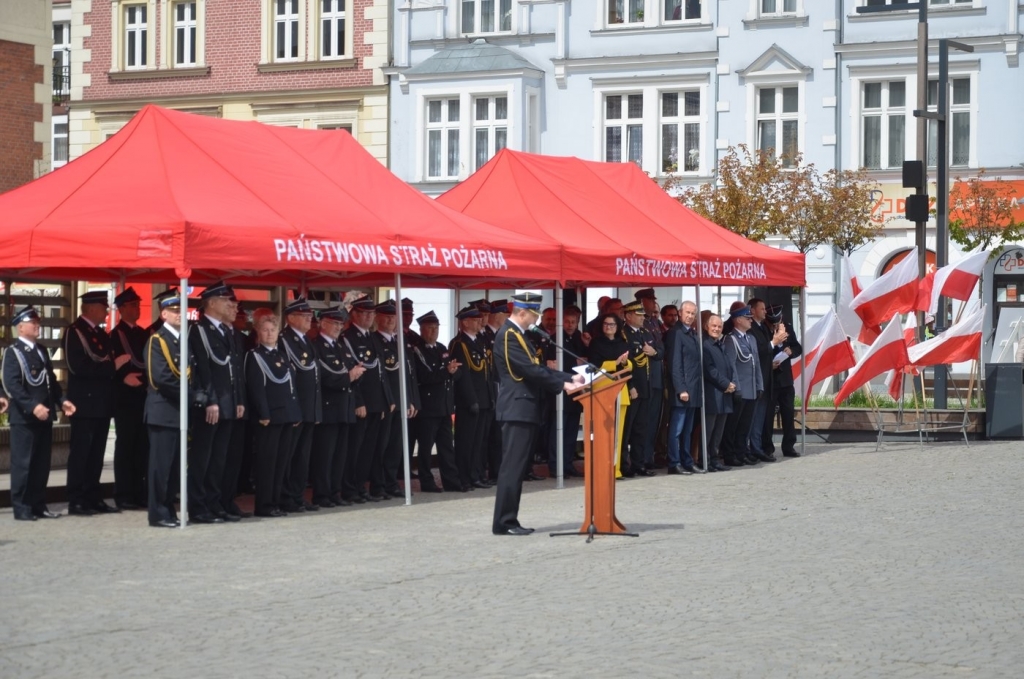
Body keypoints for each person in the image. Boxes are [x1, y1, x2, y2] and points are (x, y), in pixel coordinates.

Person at [492, 293, 582, 535]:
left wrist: (570, 377)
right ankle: (504, 523)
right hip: (517, 408)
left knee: (517, 468)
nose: (536, 319)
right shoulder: (509, 335)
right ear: (522, 312)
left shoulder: (518, 335)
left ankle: (509, 520)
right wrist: (563, 384)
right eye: (534, 314)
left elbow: (537, 368)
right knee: (512, 468)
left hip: (524, 407)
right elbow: (529, 370)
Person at [3, 306, 76, 521]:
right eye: (33, 323)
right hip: (25, 418)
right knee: (23, 464)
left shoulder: (41, 350)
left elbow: (50, 381)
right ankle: (22, 507)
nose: (37, 326)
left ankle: (38, 504)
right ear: (20, 327)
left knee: (41, 465)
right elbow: (12, 385)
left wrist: (62, 401)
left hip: (45, 415)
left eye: (38, 322)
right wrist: (33, 406)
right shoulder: (13, 352)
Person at [188, 281, 245, 524]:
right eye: (226, 301)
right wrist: (210, 399)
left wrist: (238, 399)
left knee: (220, 458)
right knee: (202, 458)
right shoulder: (199, 330)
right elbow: (200, 369)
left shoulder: (226, 331)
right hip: (210, 406)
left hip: (228, 403)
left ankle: (215, 502)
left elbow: (235, 370)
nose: (231, 305)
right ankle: (198, 507)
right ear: (211, 303)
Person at [143, 290, 196, 527]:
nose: (179, 315)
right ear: (163, 314)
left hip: (179, 413)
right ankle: (158, 513)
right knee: (160, 467)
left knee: (175, 468)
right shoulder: (157, 341)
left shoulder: (183, 340)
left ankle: (169, 511)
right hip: (163, 412)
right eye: (174, 311)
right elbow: (161, 379)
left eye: (181, 311)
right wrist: (192, 396)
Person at [63, 290, 118, 516]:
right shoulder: (75, 332)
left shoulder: (101, 334)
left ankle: (93, 496)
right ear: (92, 308)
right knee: (81, 454)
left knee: (96, 454)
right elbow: (77, 366)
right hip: (84, 404)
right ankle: (76, 499)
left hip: (102, 403)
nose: (106, 311)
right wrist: (110, 368)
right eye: (104, 307)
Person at [245, 313, 302, 518]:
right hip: (269, 417)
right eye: (265, 330)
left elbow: (291, 387)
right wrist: (263, 412)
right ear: (258, 332)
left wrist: (295, 412)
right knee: (267, 464)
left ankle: (276, 502)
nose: (269, 334)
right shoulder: (254, 356)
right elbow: (256, 387)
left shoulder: (282, 356)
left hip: (286, 415)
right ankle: (264, 505)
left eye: (273, 330)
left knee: (281, 463)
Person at [310, 306, 365, 507]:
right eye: (334, 323)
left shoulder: (340, 347)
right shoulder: (316, 346)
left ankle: (335, 491)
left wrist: (356, 375)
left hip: (344, 407)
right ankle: (322, 494)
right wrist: (349, 377)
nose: (338, 327)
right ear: (322, 323)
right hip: (329, 407)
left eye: (340, 324)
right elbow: (324, 377)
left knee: (340, 455)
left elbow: (352, 371)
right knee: (325, 455)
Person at [342, 298, 394, 504]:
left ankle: (360, 486)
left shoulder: (372, 337)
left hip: (376, 402)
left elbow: (381, 371)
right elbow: (351, 372)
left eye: (372, 314)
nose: (369, 317)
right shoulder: (348, 338)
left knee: (370, 449)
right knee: (355, 449)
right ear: (354, 314)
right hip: (362, 403)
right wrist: (358, 401)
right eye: (365, 313)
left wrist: (387, 398)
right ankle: (349, 489)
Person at [278, 296, 323, 511]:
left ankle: (297, 496)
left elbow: (313, 374)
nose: (309, 319)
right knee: (290, 456)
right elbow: (287, 377)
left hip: (308, 407)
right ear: (290, 318)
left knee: (302, 456)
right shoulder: (284, 340)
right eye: (304, 316)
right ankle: (286, 497)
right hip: (296, 408)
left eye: (310, 315)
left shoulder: (305, 340)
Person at [412, 310, 463, 492]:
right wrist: (446, 372)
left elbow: (455, 372)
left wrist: (453, 372)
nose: (434, 331)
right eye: (430, 328)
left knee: (447, 446)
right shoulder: (418, 350)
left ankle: (451, 481)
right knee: (425, 448)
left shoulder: (441, 348)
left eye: (436, 328)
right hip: (429, 407)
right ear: (421, 330)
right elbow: (424, 376)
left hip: (444, 406)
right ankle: (427, 482)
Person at [374, 301, 420, 499]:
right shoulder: (375, 341)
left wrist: (411, 400)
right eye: (387, 317)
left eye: (393, 317)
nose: (391, 321)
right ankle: (378, 485)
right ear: (378, 318)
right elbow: (380, 376)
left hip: (401, 402)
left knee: (395, 447)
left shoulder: (400, 341)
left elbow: (409, 374)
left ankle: (391, 483)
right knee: (381, 447)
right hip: (386, 402)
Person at [110, 287, 149, 510]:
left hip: (143, 396)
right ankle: (123, 493)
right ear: (122, 309)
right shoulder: (115, 335)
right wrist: (124, 376)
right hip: (125, 399)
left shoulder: (143, 334)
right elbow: (112, 365)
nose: (137, 309)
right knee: (126, 446)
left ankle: (139, 492)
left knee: (142, 446)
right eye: (133, 305)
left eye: (138, 305)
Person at [450, 305, 494, 490]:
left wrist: (491, 397)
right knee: (466, 441)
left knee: (479, 442)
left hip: (484, 398)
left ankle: (477, 474)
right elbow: (464, 375)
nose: (479, 322)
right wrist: (471, 400)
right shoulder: (460, 344)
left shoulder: (480, 341)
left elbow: (487, 372)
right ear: (465, 323)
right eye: (475, 320)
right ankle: (465, 477)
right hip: (470, 401)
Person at [586, 312, 633, 478]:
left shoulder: (623, 343)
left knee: (618, 433)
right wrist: (615, 363)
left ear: (617, 326)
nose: (609, 327)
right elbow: (593, 366)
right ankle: (602, 467)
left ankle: (616, 468)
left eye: (612, 324)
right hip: (602, 389)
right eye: (606, 324)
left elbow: (630, 366)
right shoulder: (596, 343)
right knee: (603, 432)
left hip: (620, 390)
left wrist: (625, 363)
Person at [721, 305, 763, 467]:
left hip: (751, 389)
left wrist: (759, 385)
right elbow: (731, 366)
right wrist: (737, 388)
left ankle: (742, 452)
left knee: (745, 425)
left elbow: (756, 364)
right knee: (733, 425)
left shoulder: (750, 338)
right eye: (747, 318)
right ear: (738, 320)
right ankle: (729, 454)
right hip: (740, 389)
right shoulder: (731, 339)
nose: (750, 321)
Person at [620, 301, 658, 477]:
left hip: (646, 386)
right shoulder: (624, 334)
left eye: (643, 315)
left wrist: (654, 352)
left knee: (641, 428)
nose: (643, 318)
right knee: (627, 429)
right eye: (639, 315)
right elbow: (625, 364)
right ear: (628, 316)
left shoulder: (645, 333)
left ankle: (638, 464)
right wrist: (631, 386)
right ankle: (623, 465)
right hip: (633, 388)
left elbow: (660, 352)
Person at [746, 298, 786, 463]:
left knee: (760, 418)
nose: (765, 312)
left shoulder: (763, 327)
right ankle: (749, 448)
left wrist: (777, 342)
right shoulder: (751, 328)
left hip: (766, 377)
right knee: (752, 417)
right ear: (753, 310)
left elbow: (768, 349)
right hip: (756, 379)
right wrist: (773, 342)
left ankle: (757, 448)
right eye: (762, 309)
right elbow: (758, 350)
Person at [666, 301, 703, 474]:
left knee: (687, 430)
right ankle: (674, 462)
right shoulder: (676, 333)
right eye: (687, 312)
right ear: (680, 313)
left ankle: (687, 461)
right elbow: (675, 364)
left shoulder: (692, 333)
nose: (690, 316)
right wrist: (681, 389)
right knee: (676, 429)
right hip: (683, 390)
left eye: (693, 313)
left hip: (693, 389)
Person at [766, 306, 803, 458]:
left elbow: (798, 347)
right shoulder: (765, 329)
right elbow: (762, 351)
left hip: (786, 379)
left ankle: (789, 446)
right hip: (771, 379)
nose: (775, 325)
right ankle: (767, 448)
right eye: (773, 322)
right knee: (768, 416)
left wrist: (790, 351)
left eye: (777, 322)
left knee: (788, 414)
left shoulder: (787, 327)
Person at [636, 289, 665, 470]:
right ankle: (642, 459)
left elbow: (661, 350)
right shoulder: (641, 323)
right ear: (641, 302)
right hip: (646, 378)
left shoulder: (654, 322)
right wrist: (655, 353)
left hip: (657, 377)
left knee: (654, 421)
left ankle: (648, 456)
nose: (654, 302)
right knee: (644, 422)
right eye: (650, 300)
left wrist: (656, 353)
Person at [701, 313, 735, 472]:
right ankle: (705, 460)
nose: (716, 329)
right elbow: (709, 370)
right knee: (708, 430)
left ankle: (715, 459)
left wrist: (731, 383)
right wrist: (725, 384)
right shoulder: (704, 345)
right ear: (706, 326)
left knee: (718, 431)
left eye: (719, 326)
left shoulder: (720, 344)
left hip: (724, 394)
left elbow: (728, 366)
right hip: (712, 394)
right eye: (714, 326)